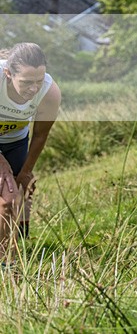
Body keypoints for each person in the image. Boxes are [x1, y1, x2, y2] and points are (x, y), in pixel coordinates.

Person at [0, 42, 61, 263]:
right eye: (26, 82)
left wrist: (25, 172)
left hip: (15, 141)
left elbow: (40, 135)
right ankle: (7, 263)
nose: (34, 88)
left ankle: (19, 232)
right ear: (8, 73)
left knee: (23, 189)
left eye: (38, 80)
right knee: (7, 198)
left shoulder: (49, 91)